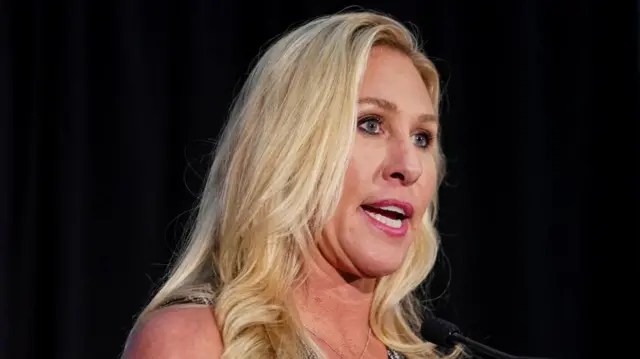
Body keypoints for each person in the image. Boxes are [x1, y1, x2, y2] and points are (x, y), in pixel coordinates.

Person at [122, 10, 466, 359]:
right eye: (371, 124)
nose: (409, 167)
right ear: (288, 144)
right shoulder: (194, 344)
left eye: (422, 138)